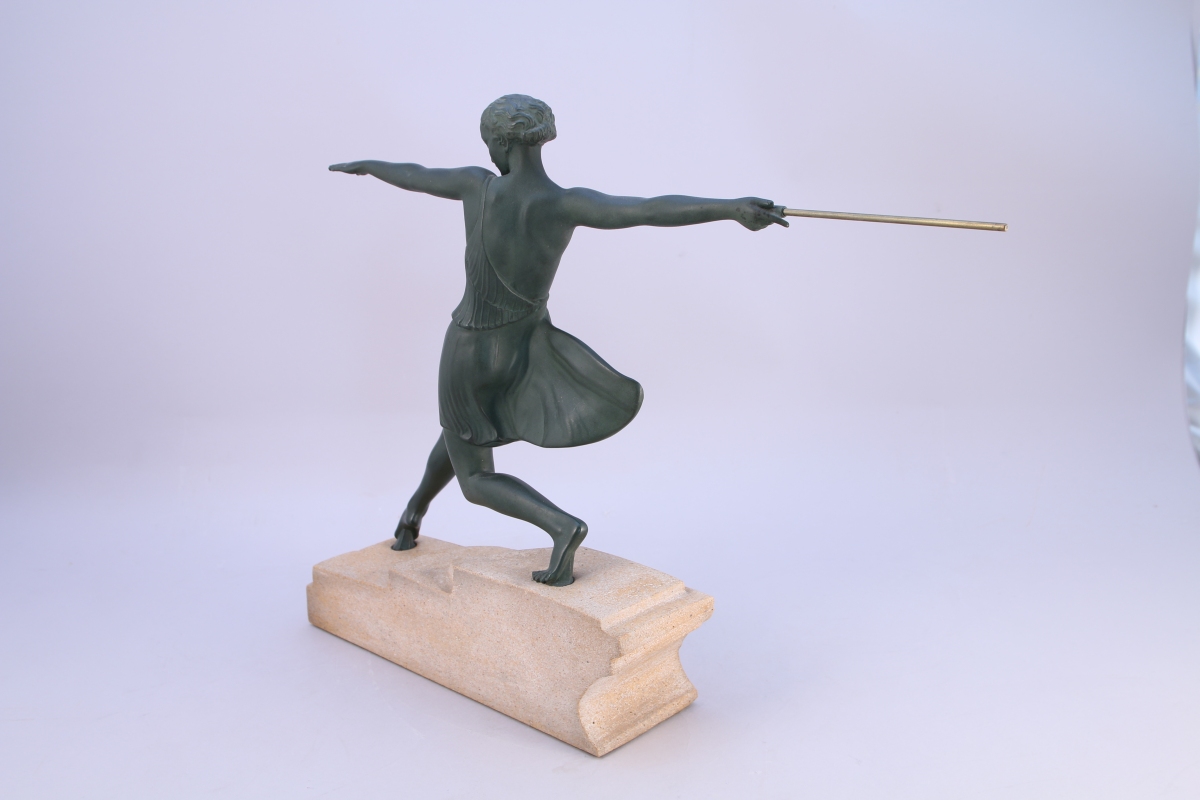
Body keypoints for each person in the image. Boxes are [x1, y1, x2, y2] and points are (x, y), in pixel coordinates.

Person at [330, 94, 787, 586]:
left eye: (489, 143)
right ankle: (412, 515)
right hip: (524, 350)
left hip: (470, 347)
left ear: (502, 142)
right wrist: (732, 208)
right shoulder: (566, 203)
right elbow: (648, 209)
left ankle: (560, 525)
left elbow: (414, 174)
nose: (489, 154)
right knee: (461, 431)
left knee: (476, 477)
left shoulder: (474, 185)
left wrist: (368, 166)